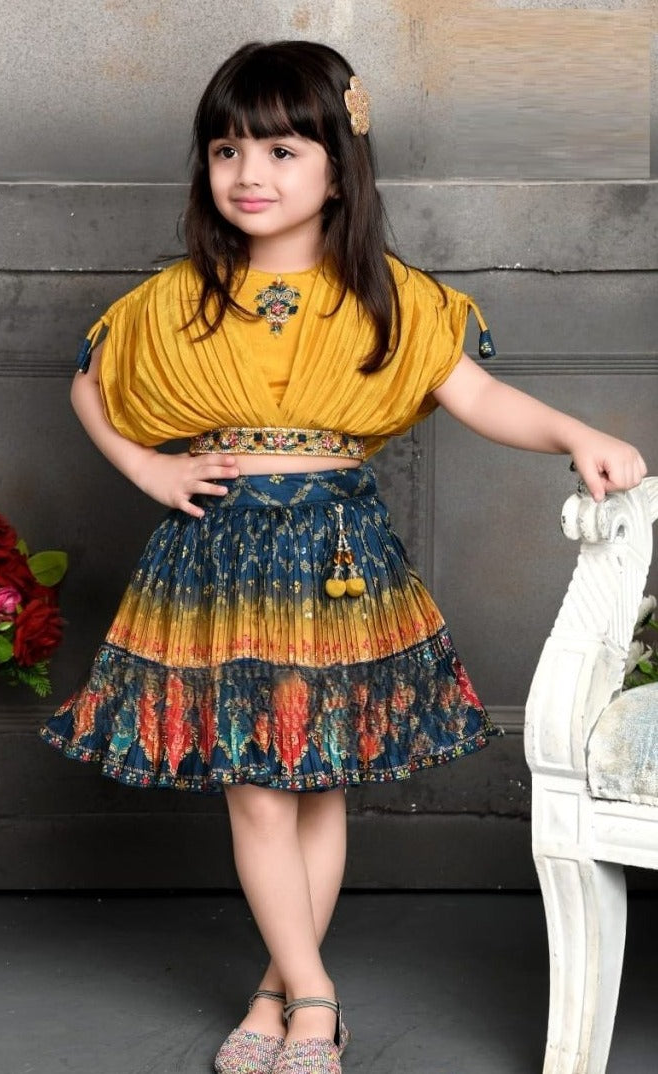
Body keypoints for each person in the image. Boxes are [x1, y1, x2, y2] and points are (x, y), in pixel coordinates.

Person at [40, 40, 647, 1074]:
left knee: (316, 778)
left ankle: (277, 995)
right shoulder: (177, 296)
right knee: (256, 783)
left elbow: (479, 395)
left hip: (336, 559)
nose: (249, 174)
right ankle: (315, 997)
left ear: (338, 167)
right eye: (227, 150)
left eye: (281, 151)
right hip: (219, 559)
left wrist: (575, 433)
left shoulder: (388, 295)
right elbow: (90, 385)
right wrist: (148, 470)